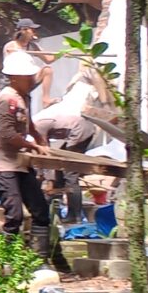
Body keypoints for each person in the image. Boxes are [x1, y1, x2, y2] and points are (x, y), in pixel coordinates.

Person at [0, 51, 52, 259]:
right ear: (14, 77)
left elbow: (26, 122)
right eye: (27, 77)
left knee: (40, 210)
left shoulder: (23, 97)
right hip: (2, 166)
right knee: (14, 215)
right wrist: (33, 146)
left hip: (19, 164)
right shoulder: (6, 99)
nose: (31, 80)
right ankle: (6, 260)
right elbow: (7, 135)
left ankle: (40, 258)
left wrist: (38, 137)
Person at [32, 64, 111, 223]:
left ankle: (75, 215)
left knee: (70, 172)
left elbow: (45, 154)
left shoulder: (37, 125)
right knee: (60, 171)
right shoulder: (38, 122)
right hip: (80, 130)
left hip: (81, 130)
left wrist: (44, 177)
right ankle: (62, 213)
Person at [1, 18, 57, 107]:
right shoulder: (11, 46)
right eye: (32, 30)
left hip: (26, 80)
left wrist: (61, 54)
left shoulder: (33, 46)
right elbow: (13, 64)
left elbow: (48, 59)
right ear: (24, 30)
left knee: (47, 70)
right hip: (12, 81)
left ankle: (45, 100)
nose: (34, 33)